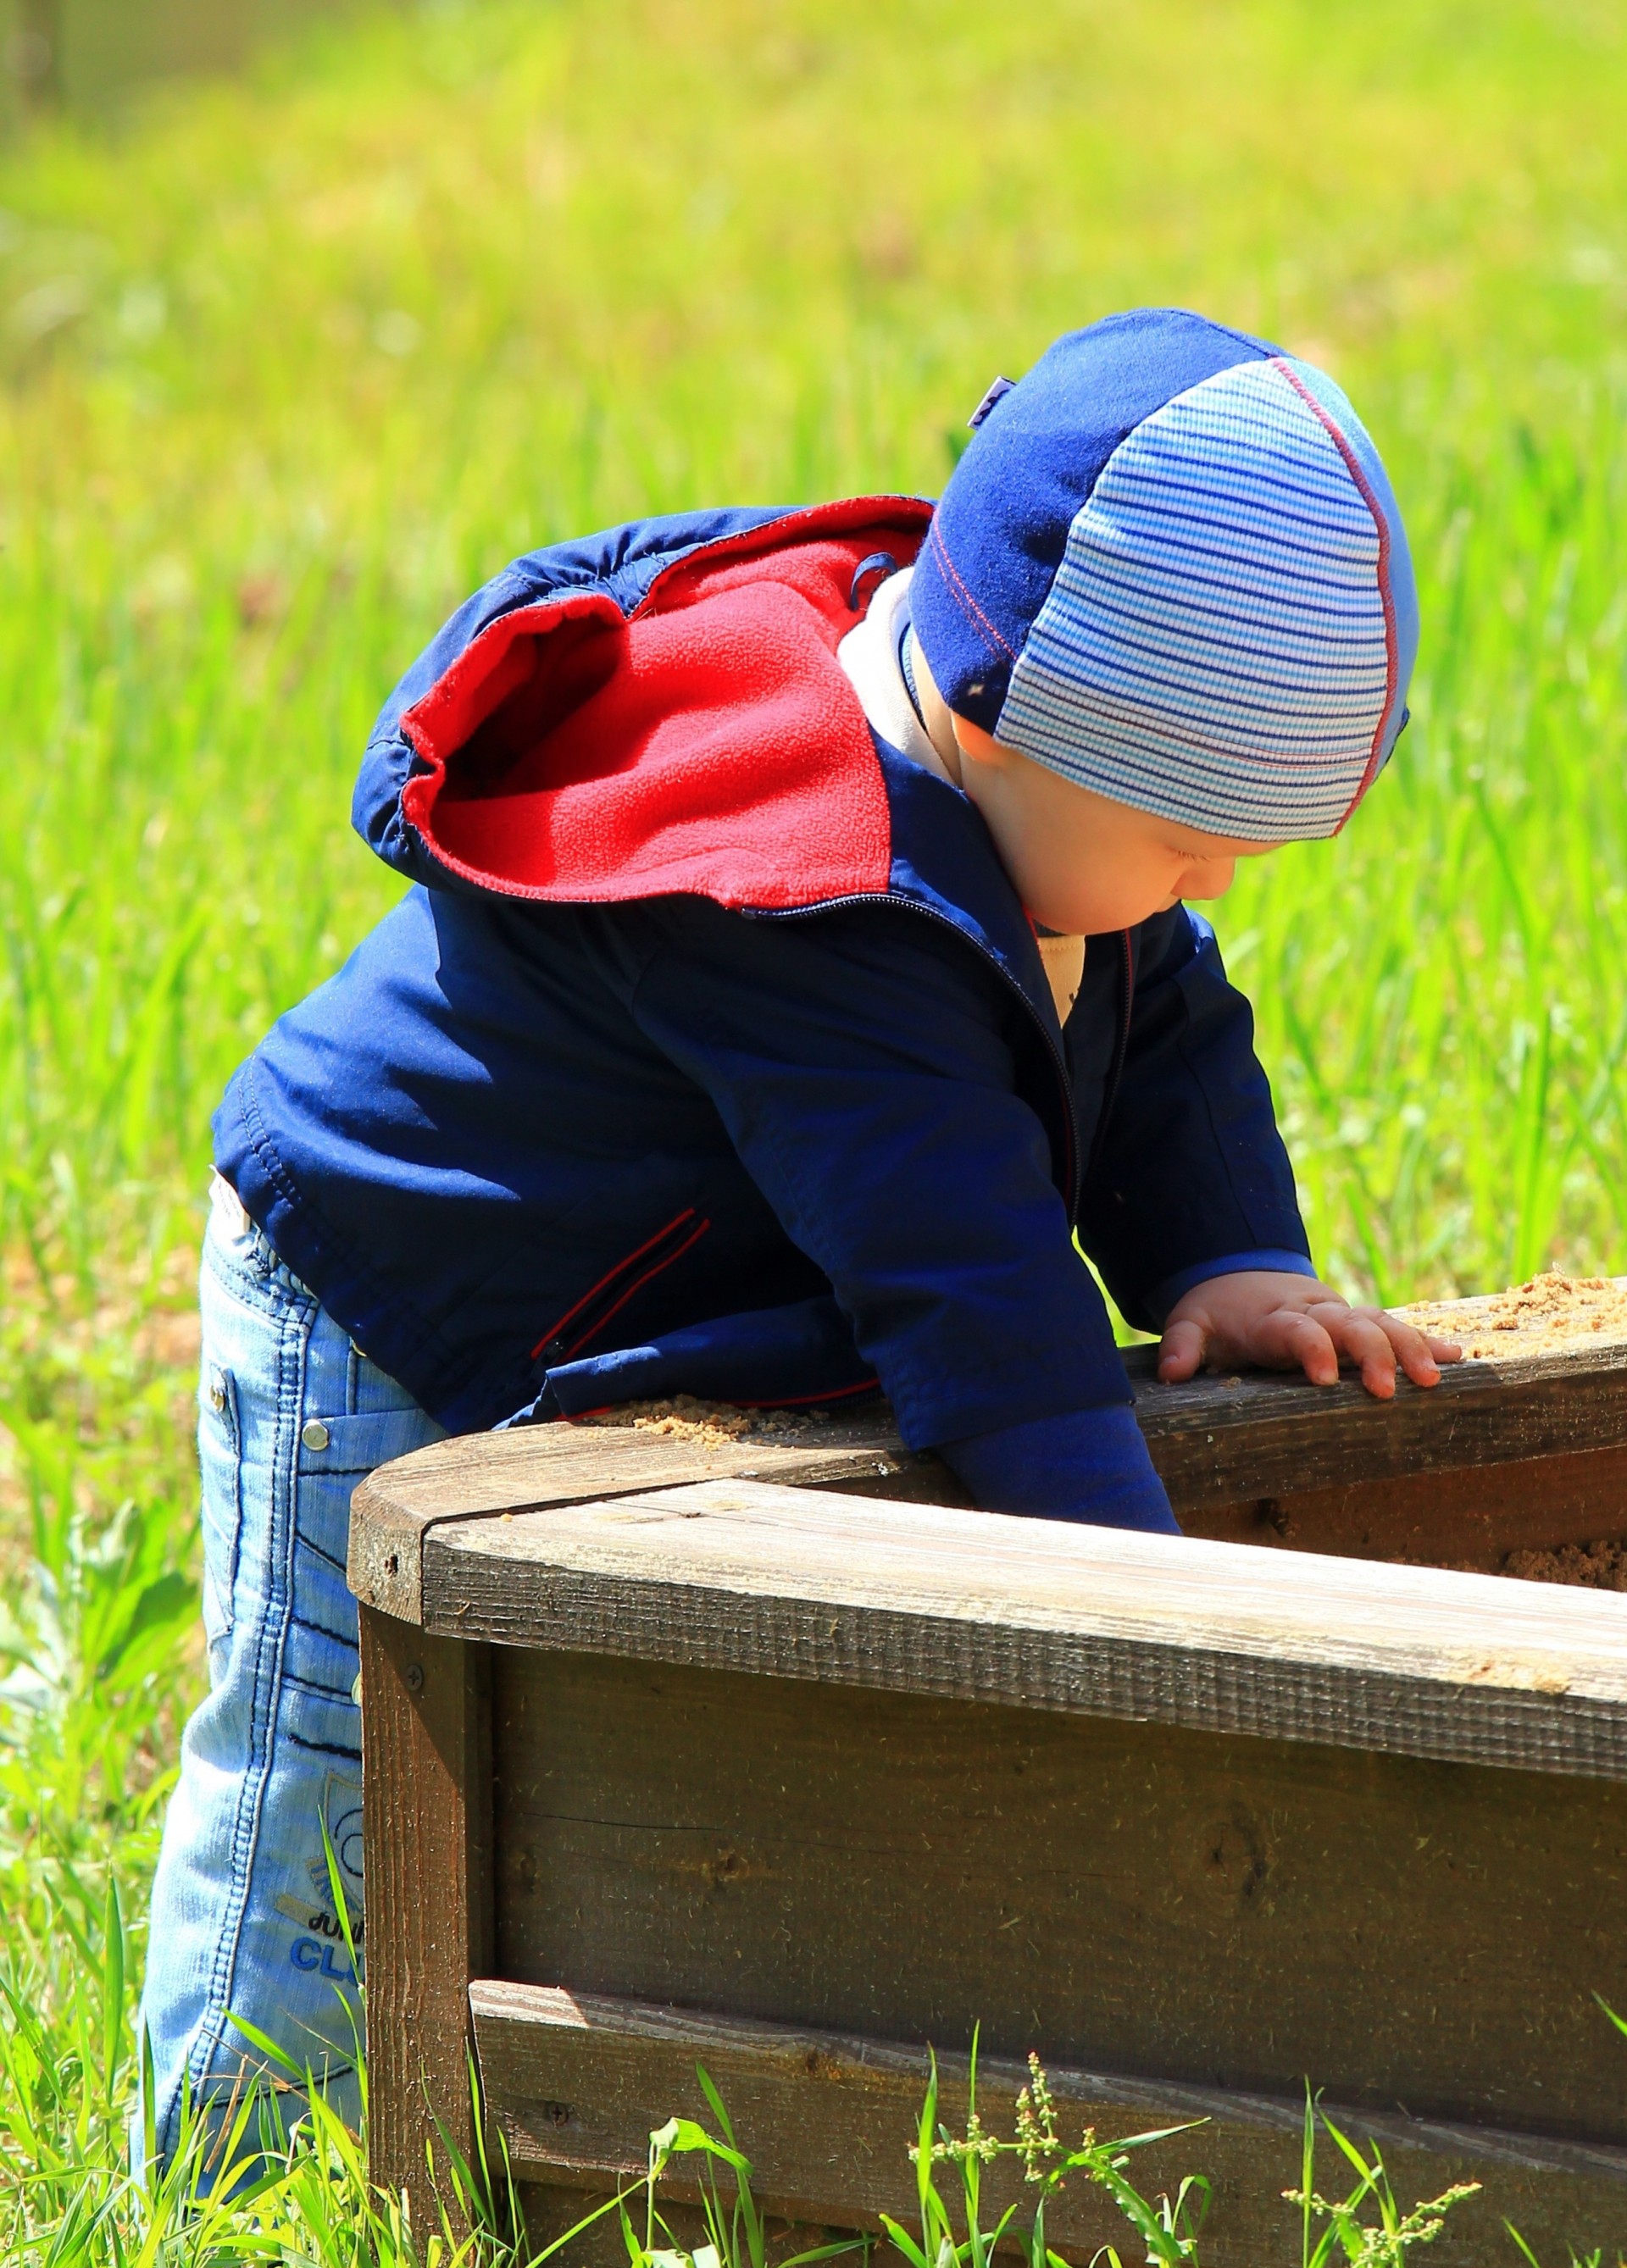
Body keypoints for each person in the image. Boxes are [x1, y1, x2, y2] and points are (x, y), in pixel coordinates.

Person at [138, 306, 1460, 2169]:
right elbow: (974, 1297)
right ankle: (232, 2194)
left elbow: (1161, 1021)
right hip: (384, 1290)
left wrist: (1222, 1262)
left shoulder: (1030, 784)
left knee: (549, 1762)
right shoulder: (807, 890)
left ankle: (500, 2132)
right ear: (1005, 717)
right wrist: (1185, 1638)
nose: (1213, 882)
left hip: (624, 1265)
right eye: (1185, 835)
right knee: (332, 1772)